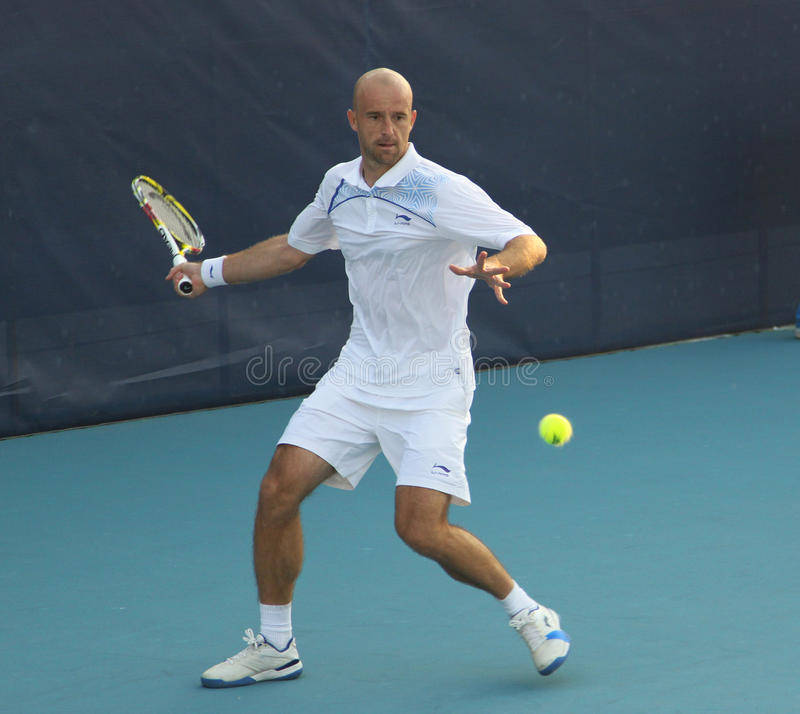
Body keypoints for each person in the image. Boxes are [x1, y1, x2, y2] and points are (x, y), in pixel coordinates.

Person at [168, 68, 570, 688]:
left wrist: (501, 262)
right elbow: (292, 249)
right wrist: (210, 272)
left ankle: (529, 613)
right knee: (278, 490)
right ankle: (277, 646)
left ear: (415, 119)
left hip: (434, 382)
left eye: (400, 117)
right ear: (353, 120)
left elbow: (530, 242)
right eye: (376, 118)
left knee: (420, 528)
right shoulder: (338, 186)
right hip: (359, 372)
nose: (389, 130)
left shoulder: (443, 189)